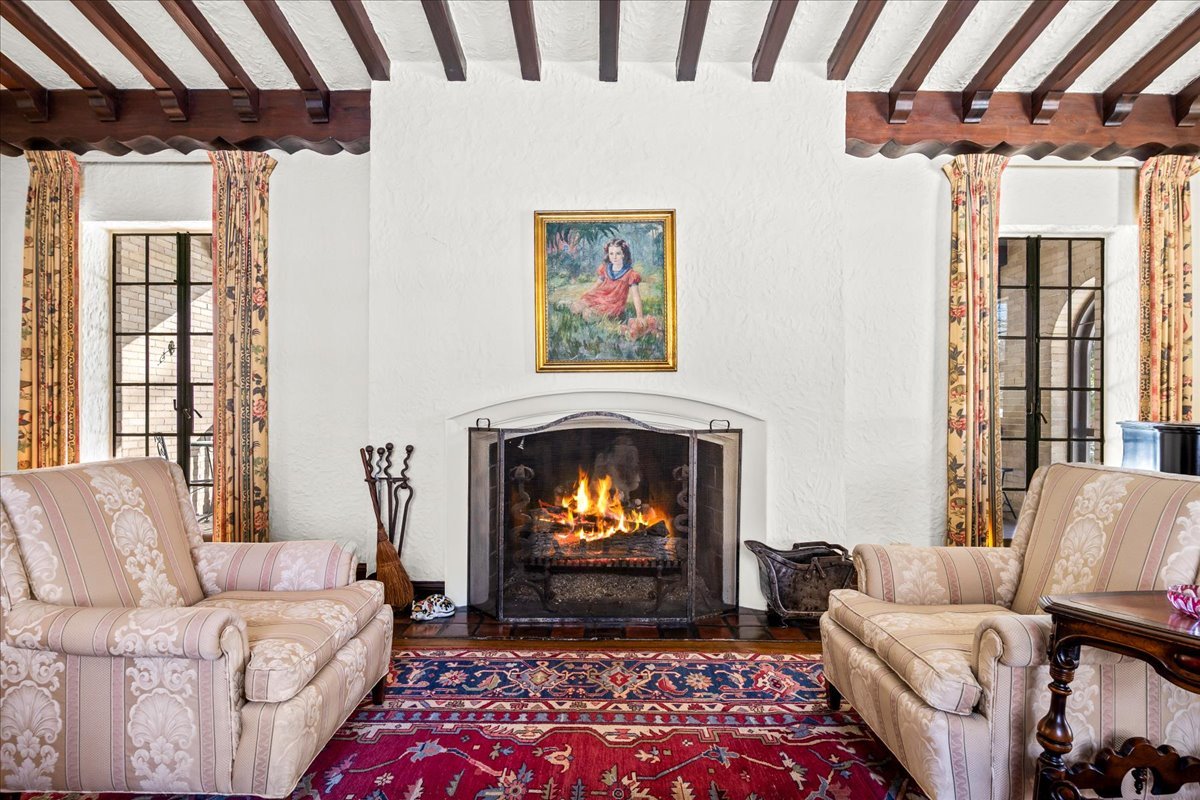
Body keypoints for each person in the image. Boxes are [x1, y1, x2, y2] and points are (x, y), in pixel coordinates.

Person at [572, 238, 645, 322]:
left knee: (588, 314)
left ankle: (599, 314)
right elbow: (597, 285)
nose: (614, 257)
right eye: (611, 253)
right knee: (576, 306)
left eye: (618, 253)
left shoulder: (630, 273)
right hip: (600, 297)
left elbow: (635, 296)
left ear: (623, 254)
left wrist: (639, 316)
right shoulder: (605, 268)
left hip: (614, 303)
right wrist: (586, 296)